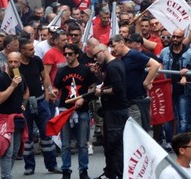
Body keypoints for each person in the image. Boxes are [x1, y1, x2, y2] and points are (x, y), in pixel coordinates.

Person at [17, 37, 60, 175]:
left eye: (33, 48)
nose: (33, 51)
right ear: (22, 50)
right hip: (25, 104)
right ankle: (29, 167)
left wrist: (48, 91)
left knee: (46, 134)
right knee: (27, 138)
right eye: (30, 49)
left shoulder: (36, 60)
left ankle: (52, 165)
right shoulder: (16, 65)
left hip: (41, 101)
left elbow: (44, 76)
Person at [54, 43, 97, 179]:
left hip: (82, 111)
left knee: (82, 144)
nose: (67, 56)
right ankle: (66, 171)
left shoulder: (85, 70)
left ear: (77, 54)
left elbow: (93, 87)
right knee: (65, 144)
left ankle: (83, 171)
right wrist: (54, 92)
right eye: (65, 54)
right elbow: (57, 87)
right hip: (65, 111)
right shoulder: (61, 71)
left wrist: (84, 99)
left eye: (70, 54)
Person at [93, 43, 129, 179]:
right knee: (111, 143)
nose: (96, 59)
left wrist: (101, 92)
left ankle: (116, 174)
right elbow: (111, 83)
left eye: (97, 55)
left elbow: (117, 88)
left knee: (114, 144)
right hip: (115, 109)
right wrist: (99, 77)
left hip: (115, 110)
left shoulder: (113, 67)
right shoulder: (114, 64)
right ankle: (111, 172)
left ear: (103, 52)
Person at [0, 51, 28, 179]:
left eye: (15, 62)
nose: (13, 64)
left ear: (20, 63)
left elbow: (26, 92)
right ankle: (6, 176)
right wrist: (12, 85)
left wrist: (24, 103)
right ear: (7, 63)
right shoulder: (0, 78)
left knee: (15, 152)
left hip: (17, 118)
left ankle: (6, 175)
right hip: (4, 119)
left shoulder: (21, 77)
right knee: (6, 150)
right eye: (10, 62)